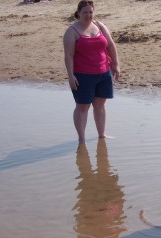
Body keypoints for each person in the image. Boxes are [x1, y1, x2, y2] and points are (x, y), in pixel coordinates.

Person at [63, 0, 121, 144]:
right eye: (85, 12)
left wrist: (116, 65)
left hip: (103, 72)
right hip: (83, 75)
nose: (88, 15)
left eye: (90, 12)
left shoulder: (100, 26)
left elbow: (111, 45)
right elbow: (68, 55)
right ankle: (81, 139)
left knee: (100, 105)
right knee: (83, 107)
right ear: (78, 14)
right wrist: (71, 76)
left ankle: (101, 135)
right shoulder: (72, 32)